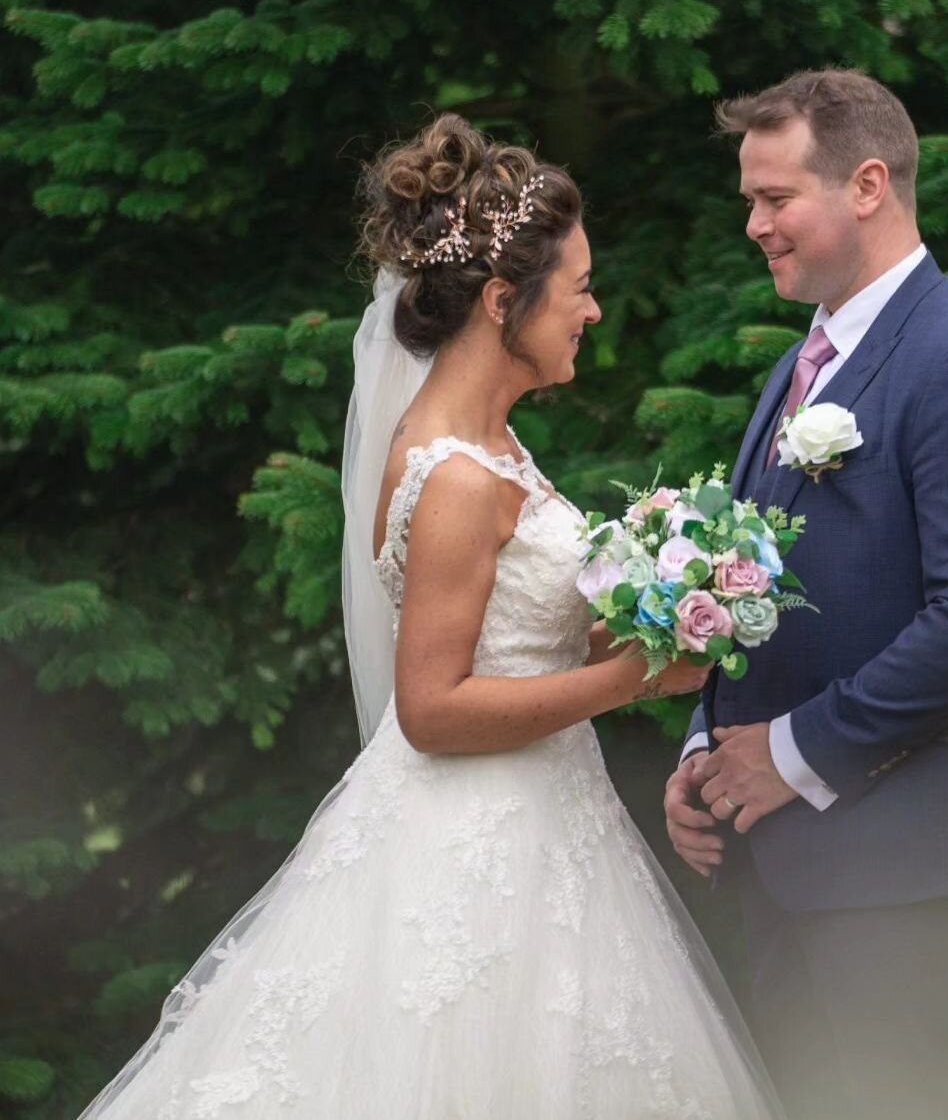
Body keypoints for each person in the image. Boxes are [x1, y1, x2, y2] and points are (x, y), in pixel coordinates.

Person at [77, 114, 784, 1120]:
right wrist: (637, 676)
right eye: (577, 286)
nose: (590, 308)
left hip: (547, 821)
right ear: (503, 300)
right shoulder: (454, 473)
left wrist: (662, 618)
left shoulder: (492, 445)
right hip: (477, 849)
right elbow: (433, 708)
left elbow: (519, 639)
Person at [664, 69, 948, 1120]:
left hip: (911, 865)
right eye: (748, 201)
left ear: (864, 184)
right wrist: (706, 744)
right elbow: (754, 589)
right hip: (793, 863)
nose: (754, 224)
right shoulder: (802, 364)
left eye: (774, 198)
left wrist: (789, 754)